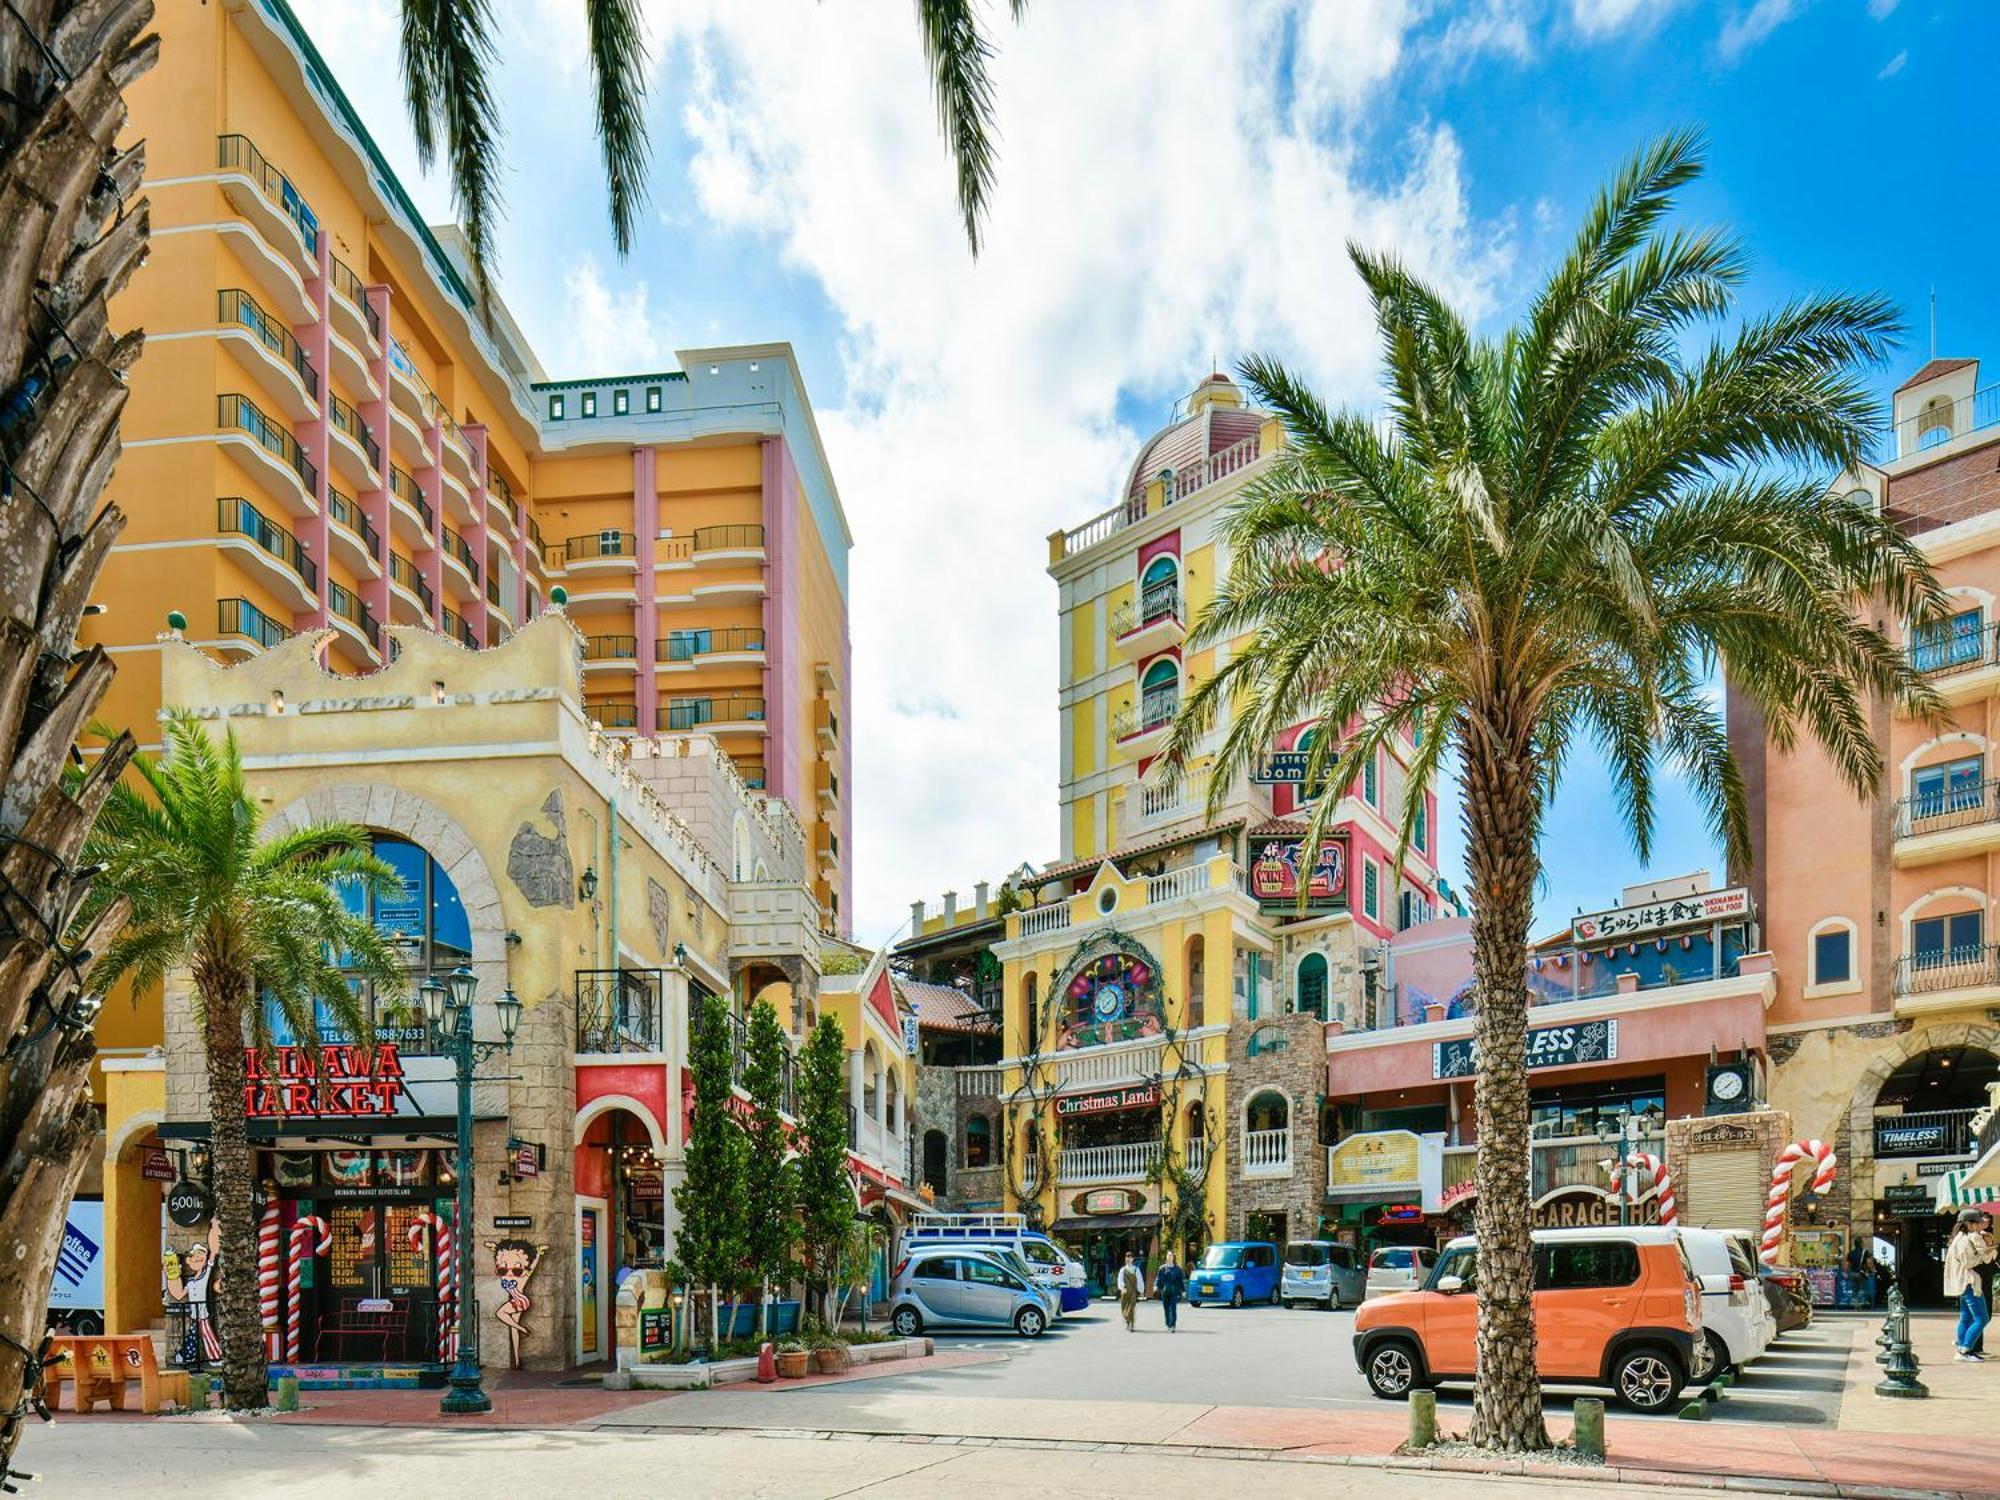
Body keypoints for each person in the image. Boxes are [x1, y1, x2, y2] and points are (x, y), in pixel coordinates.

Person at [1944, 1208, 1996, 1362]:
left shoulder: (1957, 1238)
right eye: (1976, 1223)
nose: (1978, 1226)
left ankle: (1963, 1347)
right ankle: (1965, 1349)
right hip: (1969, 1281)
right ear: (1968, 1223)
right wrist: (1987, 1252)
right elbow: (1969, 1262)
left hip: (1962, 1282)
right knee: (1982, 1318)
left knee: (1965, 1317)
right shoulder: (1964, 1240)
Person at [1155, 1252, 1187, 1333]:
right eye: (1168, 1255)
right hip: (1165, 1292)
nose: (1169, 1257)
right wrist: (1156, 1286)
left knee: (1173, 1309)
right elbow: (1158, 1279)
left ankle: (1173, 1325)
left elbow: (1180, 1281)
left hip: (1174, 1292)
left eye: (1171, 1255)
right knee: (1166, 1310)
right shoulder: (1162, 1268)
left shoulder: (1177, 1269)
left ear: (1173, 1257)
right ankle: (1168, 1324)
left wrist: (1183, 1291)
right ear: (1166, 1257)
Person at [1115, 1251, 1144, 1332]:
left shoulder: (1136, 1270)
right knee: (1124, 1309)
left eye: (1130, 1258)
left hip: (1133, 1292)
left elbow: (1139, 1281)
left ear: (1132, 1259)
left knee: (1131, 1308)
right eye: (1127, 1257)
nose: (1128, 1259)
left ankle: (1131, 1324)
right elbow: (1119, 1280)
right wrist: (1122, 1288)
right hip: (1124, 1292)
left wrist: (1141, 1291)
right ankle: (1128, 1321)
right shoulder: (1122, 1270)